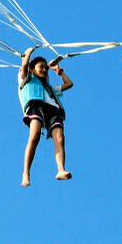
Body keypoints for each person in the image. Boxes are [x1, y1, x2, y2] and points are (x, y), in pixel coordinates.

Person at [18, 47, 73, 185]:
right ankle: (26, 173)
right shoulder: (26, 80)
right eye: (41, 67)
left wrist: (57, 70)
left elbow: (69, 84)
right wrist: (29, 53)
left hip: (53, 111)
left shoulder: (49, 88)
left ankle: (60, 170)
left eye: (45, 68)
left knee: (60, 139)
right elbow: (24, 66)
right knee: (35, 135)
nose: (44, 70)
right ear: (32, 69)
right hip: (36, 107)